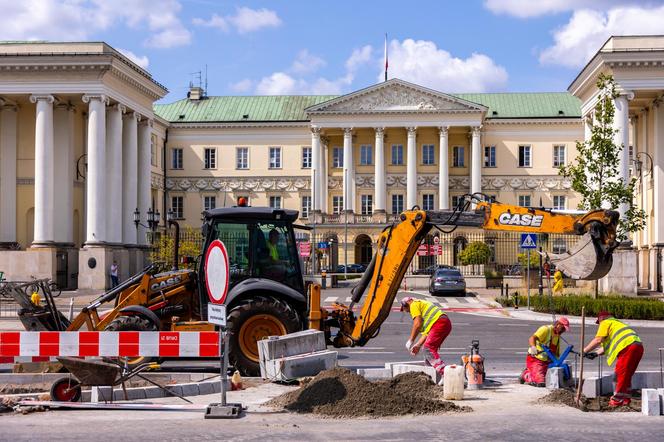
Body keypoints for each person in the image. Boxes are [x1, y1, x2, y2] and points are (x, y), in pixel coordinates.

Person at [583, 311, 643, 407]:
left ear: (601, 319)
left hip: (628, 348)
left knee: (619, 375)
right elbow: (608, 346)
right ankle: (625, 399)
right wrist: (595, 353)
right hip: (638, 347)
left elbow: (598, 340)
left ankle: (616, 400)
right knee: (626, 376)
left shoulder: (605, 322)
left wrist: (584, 351)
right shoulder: (617, 324)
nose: (599, 325)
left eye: (599, 323)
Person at [401, 296, 451, 383]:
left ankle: (445, 375)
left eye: (407, 310)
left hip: (439, 323)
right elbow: (427, 333)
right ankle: (431, 378)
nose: (410, 313)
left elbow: (417, 324)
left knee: (428, 349)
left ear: (406, 304)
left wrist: (411, 340)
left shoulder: (413, 304)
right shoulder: (421, 305)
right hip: (443, 323)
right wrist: (418, 345)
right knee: (428, 351)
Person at [520, 317, 570, 386]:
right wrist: (533, 347)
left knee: (551, 378)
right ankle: (526, 374)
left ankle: (534, 372)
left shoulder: (557, 335)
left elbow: (554, 352)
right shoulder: (546, 329)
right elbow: (532, 338)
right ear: (558, 324)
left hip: (547, 362)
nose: (563, 331)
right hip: (536, 359)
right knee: (541, 382)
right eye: (563, 328)